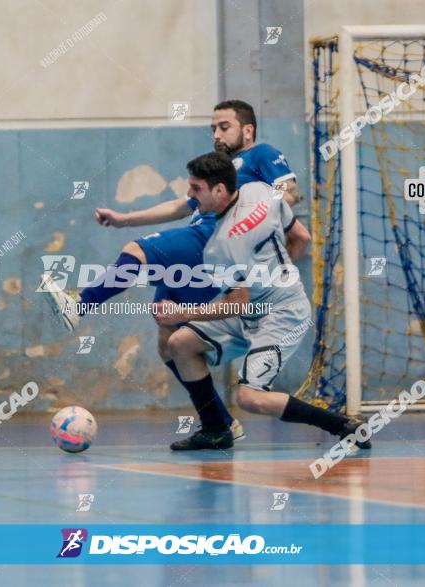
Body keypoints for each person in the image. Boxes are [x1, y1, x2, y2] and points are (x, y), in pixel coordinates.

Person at [40, 100, 302, 440]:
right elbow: (181, 205)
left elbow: (290, 190)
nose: (216, 133)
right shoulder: (217, 168)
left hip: (211, 238)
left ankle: (80, 305)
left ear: (247, 130)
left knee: (137, 252)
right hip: (200, 245)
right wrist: (125, 219)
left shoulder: (261, 154)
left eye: (224, 126)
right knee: (168, 339)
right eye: (212, 127)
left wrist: (257, 213)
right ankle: (219, 423)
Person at [154, 151, 370, 450]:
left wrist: (181, 314)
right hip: (263, 304)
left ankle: (342, 425)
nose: (190, 195)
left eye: (196, 188)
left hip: (282, 315)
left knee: (250, 398)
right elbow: (301, 236)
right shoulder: (260, 191)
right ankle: (216, 429)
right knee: (180, 344)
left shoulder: (220, 246)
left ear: (219, 189)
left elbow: (235, 304)